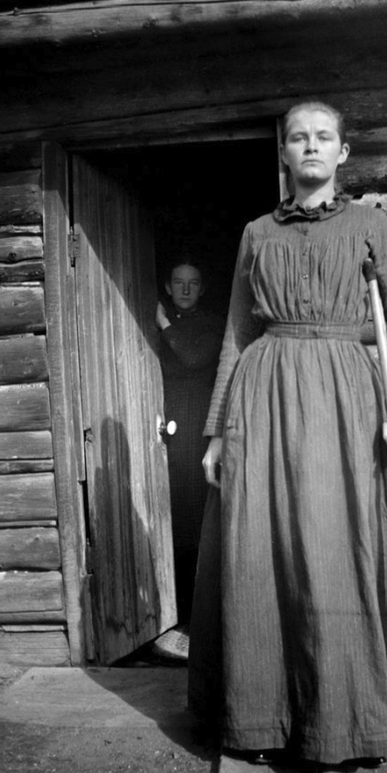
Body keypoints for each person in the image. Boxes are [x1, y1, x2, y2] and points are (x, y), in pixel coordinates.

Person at [187, 100, 387, 768]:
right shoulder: (256, 233)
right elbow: (236, 333)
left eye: (322, 137)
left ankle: (347, 718)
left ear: (342, 152)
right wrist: (217, 430)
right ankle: (262, 718)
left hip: (347, 399)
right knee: (261, 548)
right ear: (282, 152)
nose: (309, 146)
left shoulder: (370, 227)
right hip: (265, 391)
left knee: (343, 547)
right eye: (297, 138)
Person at [155, 261, 224, 649]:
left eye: (193, 283)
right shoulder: (158, 324)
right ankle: (172, 617)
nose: (185, 289)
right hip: (168, 430)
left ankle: (200, 620)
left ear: (203, 288)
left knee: (198, 520)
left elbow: (193, 357)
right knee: (171, 517)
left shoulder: (212, 324)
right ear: (168, 284)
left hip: (200, 429)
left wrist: (164, 325)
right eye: (178, 282)